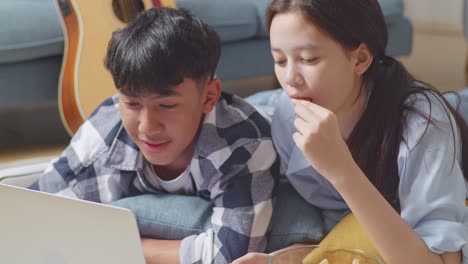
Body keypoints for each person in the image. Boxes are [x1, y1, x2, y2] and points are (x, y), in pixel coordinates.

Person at [30, 7, 279, 264]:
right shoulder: (105, 132)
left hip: (271, 114)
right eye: (132, 103)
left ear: (208, 96)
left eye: (167, 105)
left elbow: (234, 256)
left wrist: (124, 246)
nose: (148, 127)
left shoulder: (243, 145)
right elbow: (32, 214)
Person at [234, 0, 468, 263]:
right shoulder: (286, 116)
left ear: (360, 59)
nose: (290, 78)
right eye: (279, 59)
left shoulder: (423, 127)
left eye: (308, 59)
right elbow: (345, 224)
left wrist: (342, 170)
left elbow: (440, 260)